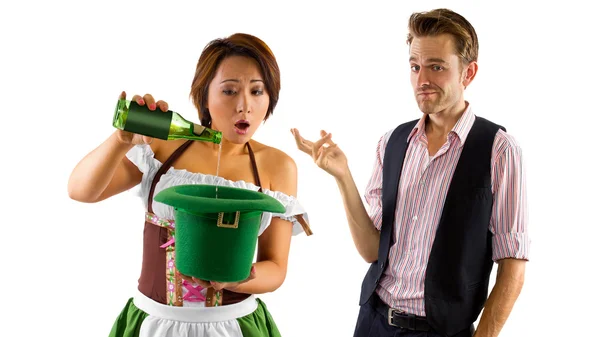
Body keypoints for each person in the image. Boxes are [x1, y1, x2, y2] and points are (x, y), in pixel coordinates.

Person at [291, 8, 529, 337]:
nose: (422, 80)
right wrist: (343, 176)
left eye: (436, 67)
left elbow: (513, 266)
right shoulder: (392, 143)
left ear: (468, 73)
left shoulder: (499, 150)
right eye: (415, 67)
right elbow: (371, 251)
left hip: (441, 331)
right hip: (373, 322)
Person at [68, 33, 311, 337]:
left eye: (257, 91)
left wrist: (237, 279)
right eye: (229, 90)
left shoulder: (278, 165)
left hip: (235, 325)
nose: (244, 106)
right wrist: (120, 141)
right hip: (154, 322)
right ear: (204, 96)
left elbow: (275, 268)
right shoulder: (163, 144)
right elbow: (81, 190)